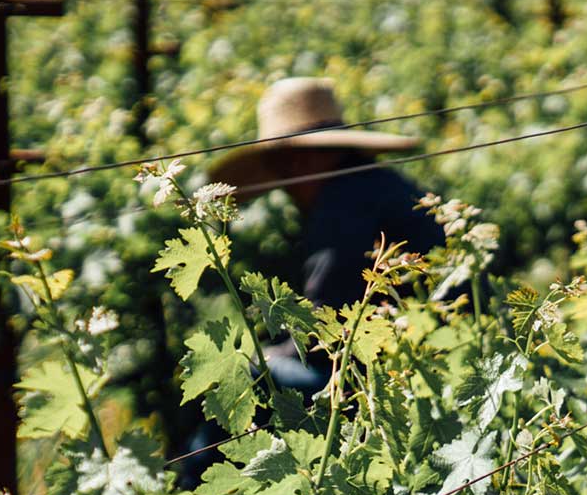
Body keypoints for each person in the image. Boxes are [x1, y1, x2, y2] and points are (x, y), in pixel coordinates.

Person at [180, 78, 444, 469]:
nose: (284, 184)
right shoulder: (379, 185)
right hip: (424, 359)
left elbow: (325, 328)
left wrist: (267, 354)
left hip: (390, 377)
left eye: (282, 165)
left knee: (246, 375)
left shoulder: (343, 205)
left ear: (306, 159)